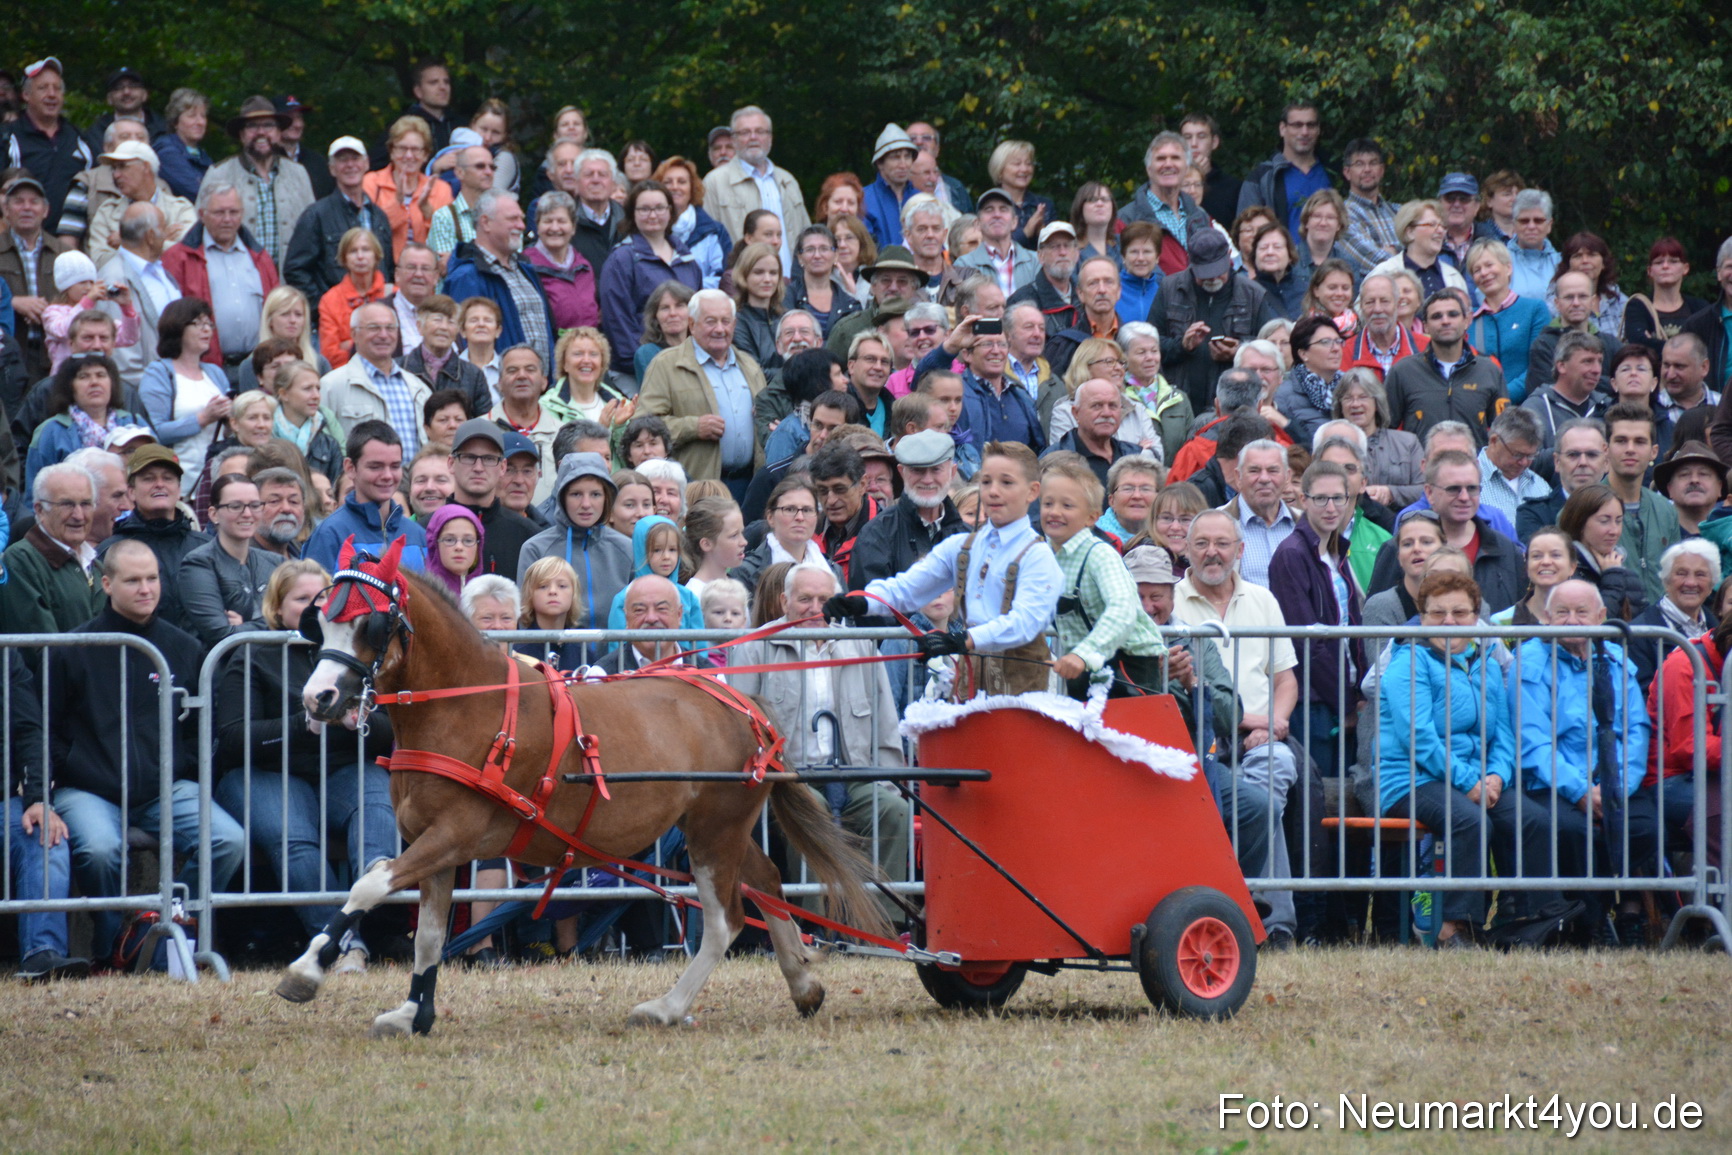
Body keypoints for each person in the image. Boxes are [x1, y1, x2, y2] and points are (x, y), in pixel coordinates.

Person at [48, 536, 245, 962]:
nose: (145, 589)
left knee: (228, 840)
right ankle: (111, 946)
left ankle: (165, 925)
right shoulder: (72, 648)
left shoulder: (183, 648)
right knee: (99, 849)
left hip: (165, 788)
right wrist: (74, 767)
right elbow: (49, 727)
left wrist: (181, 765)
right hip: (87, 789)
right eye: (133, 580)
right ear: (106, 583)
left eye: (152, 578)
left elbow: (200, 730)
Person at [212, 558, 395, 969]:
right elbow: (232, 738)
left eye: (325, 599)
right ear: (277, 608)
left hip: (343, 767)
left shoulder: (357, 650)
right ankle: (343, 944)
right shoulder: (251, 653)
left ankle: (375, 892)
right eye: (303, 600)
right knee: (295, 839)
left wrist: (363, 722)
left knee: (376, 807)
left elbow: (394, 728)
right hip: (268, 772)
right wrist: (304, 725)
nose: (318, 609)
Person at [1374, 569, 1562, 947]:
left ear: (1477, 617)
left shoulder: (1487, 663)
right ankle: (1453, 926)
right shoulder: (1407, 662)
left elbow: (1504, 735)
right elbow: (1419, 738)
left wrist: (1495, 777)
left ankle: (1525, 917)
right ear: (1421, 616)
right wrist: (1469, 782)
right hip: (1411, 778)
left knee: (1534, 819)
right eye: (1437, 613)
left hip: (1476, 779)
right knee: (1469, 821)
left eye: (1460, 613)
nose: (1448, 622)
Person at [839, 441, 1059, 697]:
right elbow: (908, 588)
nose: (993, 492)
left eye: (1006, 483)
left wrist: (962, 640)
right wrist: (860, 602)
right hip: (971, 680)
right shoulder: (962, 546)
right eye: (986, 482)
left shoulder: (1038, 555)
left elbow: (1024, 623)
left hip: (1023, 686)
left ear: (1033, 491)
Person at [1268, 460, 1364, 774]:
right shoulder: (1292, 553)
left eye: (1339, 498)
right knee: (1322, 797)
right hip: (1315, 701)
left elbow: (1351, 626)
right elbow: (1306, 640)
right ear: (1304, 500)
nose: (1331, 507)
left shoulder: (1336, 549)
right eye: (1321, 498)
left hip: (1343, 692)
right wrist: (1345, 702)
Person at [637, 288, 766, 489]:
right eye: (711, 321)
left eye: (726, 321)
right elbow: (643, 427)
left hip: (749, 485)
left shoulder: (750, 366)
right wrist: (693, 427)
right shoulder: (666, 364)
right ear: (692, 324)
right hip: (695, 487)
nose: (720, 329)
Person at [161, 181, 282, 384]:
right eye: (219, 213)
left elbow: (277, 309)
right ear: (202, 214)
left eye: (233, 212)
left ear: (242, 213)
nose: (227, 219)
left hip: (258, 368)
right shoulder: (178, 258)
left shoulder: (260, 258)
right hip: (204, 368)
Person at [283, 136, 395, 316]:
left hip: (377, 320)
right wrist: (324, 308)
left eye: (355, 158)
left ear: (366, 164)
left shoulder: (379, 217)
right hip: (334, 323)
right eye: (342, 160)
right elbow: (295, 270)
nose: (350, 165)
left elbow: (388, 269)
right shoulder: (316, 215)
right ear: (332, 169)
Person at [442, 190, 555, 368]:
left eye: (521, 218)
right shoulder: (467, 277)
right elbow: (464, 345)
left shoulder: (526, 269)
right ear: (486, 222)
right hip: (497, 389)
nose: (522, 225)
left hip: (539, 387)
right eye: (513, 219)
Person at [516, 452, 632, 625]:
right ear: (562, 497)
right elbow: (526, 618)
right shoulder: (535, 549)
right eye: (576, 494)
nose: (586, 504)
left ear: (607, 497)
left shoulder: (626, 548)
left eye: (595, 494)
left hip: (616, 652)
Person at [1382, 291, 1507, 445]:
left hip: (1474, 466)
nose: (1445, 321)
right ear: (1425, 326)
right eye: (1436, 316)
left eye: (1453, 314)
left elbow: (1503, 433)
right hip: (1421, 467)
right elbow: (1384, 430)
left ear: (1467, 320)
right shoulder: (1402, 371)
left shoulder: (1489, 370)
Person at [204, 96, 314, 269]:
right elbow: (200, 235)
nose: (261, 132)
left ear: (278, 133)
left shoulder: (298, 174)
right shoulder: (219, 174)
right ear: (242, 135)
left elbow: (312, 234)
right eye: (252, 126)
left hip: (290, 286)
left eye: (268, 125)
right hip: (236, 281)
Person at [0, 461, 107, 638]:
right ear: (40, 510)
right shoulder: (21, 561)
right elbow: (39, 648)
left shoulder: (96, 565)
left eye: (86, 504)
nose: (79, 515)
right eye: (67, 504)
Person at [304, 420, 427, 570]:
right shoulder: (329, 534)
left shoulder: (418, 536)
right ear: (350, 468)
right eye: (375, 467)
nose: (387, 475)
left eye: (395, 466)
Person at [701, 106, 809, 274]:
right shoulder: (714, 182)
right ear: (734, 139)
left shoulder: (788, 180)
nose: (753, 137)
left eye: (760, 131)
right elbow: (707, 244)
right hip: (741, 284)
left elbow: (805, 235)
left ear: (770, 137)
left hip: (792, 284)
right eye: (745, 132)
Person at [23, 352, 144, 494]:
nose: (94, 382)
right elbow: (35, 492)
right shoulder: (50, 432)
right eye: (84, 376)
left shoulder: (134, 423)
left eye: (101, 375)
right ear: (70, 387)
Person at [1601, 403, 1680, 603]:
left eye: (1639, 442)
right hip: (1608, 627)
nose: (1630, 449)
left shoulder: (1666, 511)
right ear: (1605, 449)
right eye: (1621, 441)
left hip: (1661, 629)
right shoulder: (1583, 507)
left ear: (1654, 451)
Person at [1628, 540, 1720, 691]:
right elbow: (1640, 696)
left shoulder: (1718, 630)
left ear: (1712, 585)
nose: (1691, 582)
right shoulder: (1638, 634)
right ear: (1666, 581)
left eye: (1700, 574)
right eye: (1681, 573)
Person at [363, 116, 452, 263]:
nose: (409, 155)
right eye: (402, 148)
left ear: (425, 155)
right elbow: (368, 233)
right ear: (391, 152)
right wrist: (396, 203)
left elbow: (448, 241)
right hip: (383, 273)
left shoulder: (440, 189)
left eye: (416, 149)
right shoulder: (371, 183)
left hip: (426, 275)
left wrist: (427, 212)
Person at [1332, 368, 1423, 508]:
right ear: (1340, 406)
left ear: (1376, 402)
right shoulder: (1330, 446)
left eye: (1363, 397)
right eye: (1348, 398)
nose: (1355, 404)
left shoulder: (1408, 442)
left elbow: (1427, 490)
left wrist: (1391, 493)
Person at [1556, 483, 1647, 619]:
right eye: (1604, 521)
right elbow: (1595, 625)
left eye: (1619, 521)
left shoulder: (1625, 573)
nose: (1614, 531)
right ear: (1579, 523)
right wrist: (1612, 579)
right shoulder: (1563, 572)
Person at [1516, 417, 1610, 541]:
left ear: (1606, 462)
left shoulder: (1621, 513)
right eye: (1573, 455)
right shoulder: (1532, 514)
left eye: (1592, 455)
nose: (1583, 462)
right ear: (1557, 462)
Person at [1365, 200, 1469, 305]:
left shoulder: (1454, 277)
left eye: (1443, 226)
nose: (1441, 231)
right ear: (1410, 232)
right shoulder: (1383, 273)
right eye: (1432, 225)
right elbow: (1361, 316)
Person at [1623, 237, 1708, 353]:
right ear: (1650, 271)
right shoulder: (1638, 306)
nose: (1665, 266)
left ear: (1685, 268)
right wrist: (1689, 351)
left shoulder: (1700, 307)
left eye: (1673, 261)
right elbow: (1638, 346)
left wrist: (1653, 343)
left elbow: (1708, 346)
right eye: (1658, 262)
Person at [1477, 405, 1551, 526]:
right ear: (1494, 441)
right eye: (1517, 455)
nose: (1524, 463)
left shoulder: (1540, 486)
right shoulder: (1467, 483)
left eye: (1531, 456)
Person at [150, 87, 213, 200]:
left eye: (203, 116)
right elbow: (197, 193)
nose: (200, 122)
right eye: (192, 116)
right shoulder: (166, 152)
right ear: (175, 122)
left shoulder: (202, 154)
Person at [862, 124, 918, 247]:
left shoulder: (922, 199)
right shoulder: (863, 199)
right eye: (895, 158)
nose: (903, 164)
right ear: (880, 163)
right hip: (878, 266)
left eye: (907, 157)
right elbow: (863, 248)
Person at [1655, 440, 1725, 537]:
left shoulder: (1728, 536)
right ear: (1669, 488)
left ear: (1720, 487)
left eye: (1703, 474)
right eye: (1684, 474)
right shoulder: (1654, 536)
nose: (1694, 480)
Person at [682, 496, 747, 598]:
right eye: (734, 536)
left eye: (742, 533)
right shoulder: (694, 596)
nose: (744, 542)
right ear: (706, 544)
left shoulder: (737, 589)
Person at [1507, 189, 1561, 302]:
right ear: (1514, 225)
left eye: (1538, 220)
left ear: (1549, 225)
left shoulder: (1562, 263)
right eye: (1524, 221)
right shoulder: (1499, 262)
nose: (1531, 226)